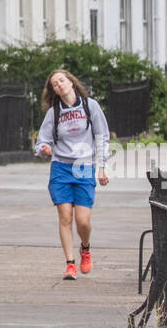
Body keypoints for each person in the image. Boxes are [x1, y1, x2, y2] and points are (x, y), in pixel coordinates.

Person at [33, 69, 110, 280]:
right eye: (54, 84)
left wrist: (102, 166)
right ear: (54, 91)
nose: (59, 85)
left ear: (71, 82)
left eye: (61, 80)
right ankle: (70, 264)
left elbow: (102, 136)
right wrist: (44, 150)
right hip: (61, 167)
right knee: (65, 216)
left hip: (84, 167)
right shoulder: (54, 113)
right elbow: (41, 142)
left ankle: (85, 248)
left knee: (83, 221)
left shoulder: (89, 106)